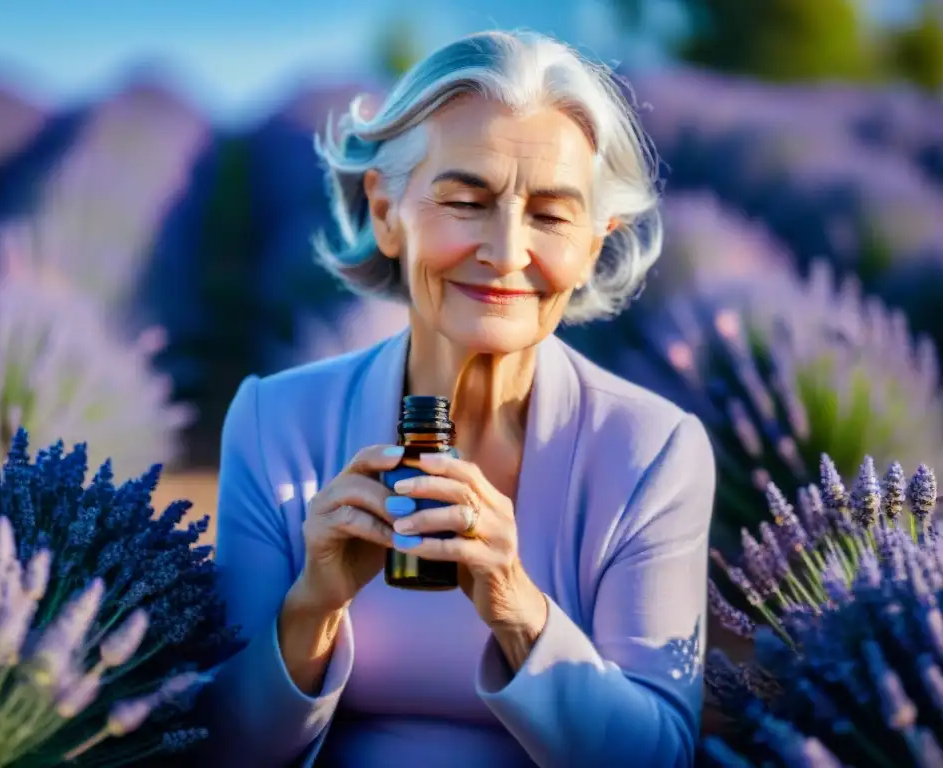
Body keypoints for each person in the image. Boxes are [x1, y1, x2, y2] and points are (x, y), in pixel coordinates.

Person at [212, 29, 716, 768]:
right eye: (465, 200)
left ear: (594, 242)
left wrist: (518, 608)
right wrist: (312, 607)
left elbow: (659, 756)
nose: (507, 250)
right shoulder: (275, 424)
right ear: (386, 212)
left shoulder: (652, 453)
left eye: (550, 214)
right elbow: (223, 748)